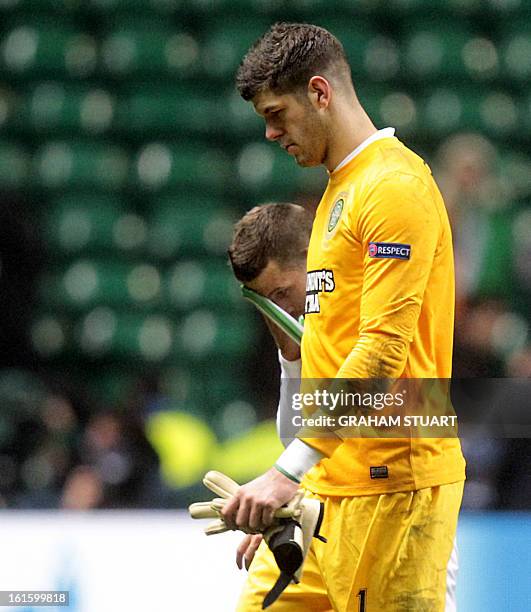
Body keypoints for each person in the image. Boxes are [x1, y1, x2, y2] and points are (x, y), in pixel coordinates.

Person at [222, 23, 466, 611]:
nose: (270, 132)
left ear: (320, 92)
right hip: (330, 490)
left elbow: (381, 355)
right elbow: (330, 355)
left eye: (277, 113)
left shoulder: (394, 187)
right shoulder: (339, 190)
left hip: (395, 486)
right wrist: (300, 481)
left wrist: (287, 469)